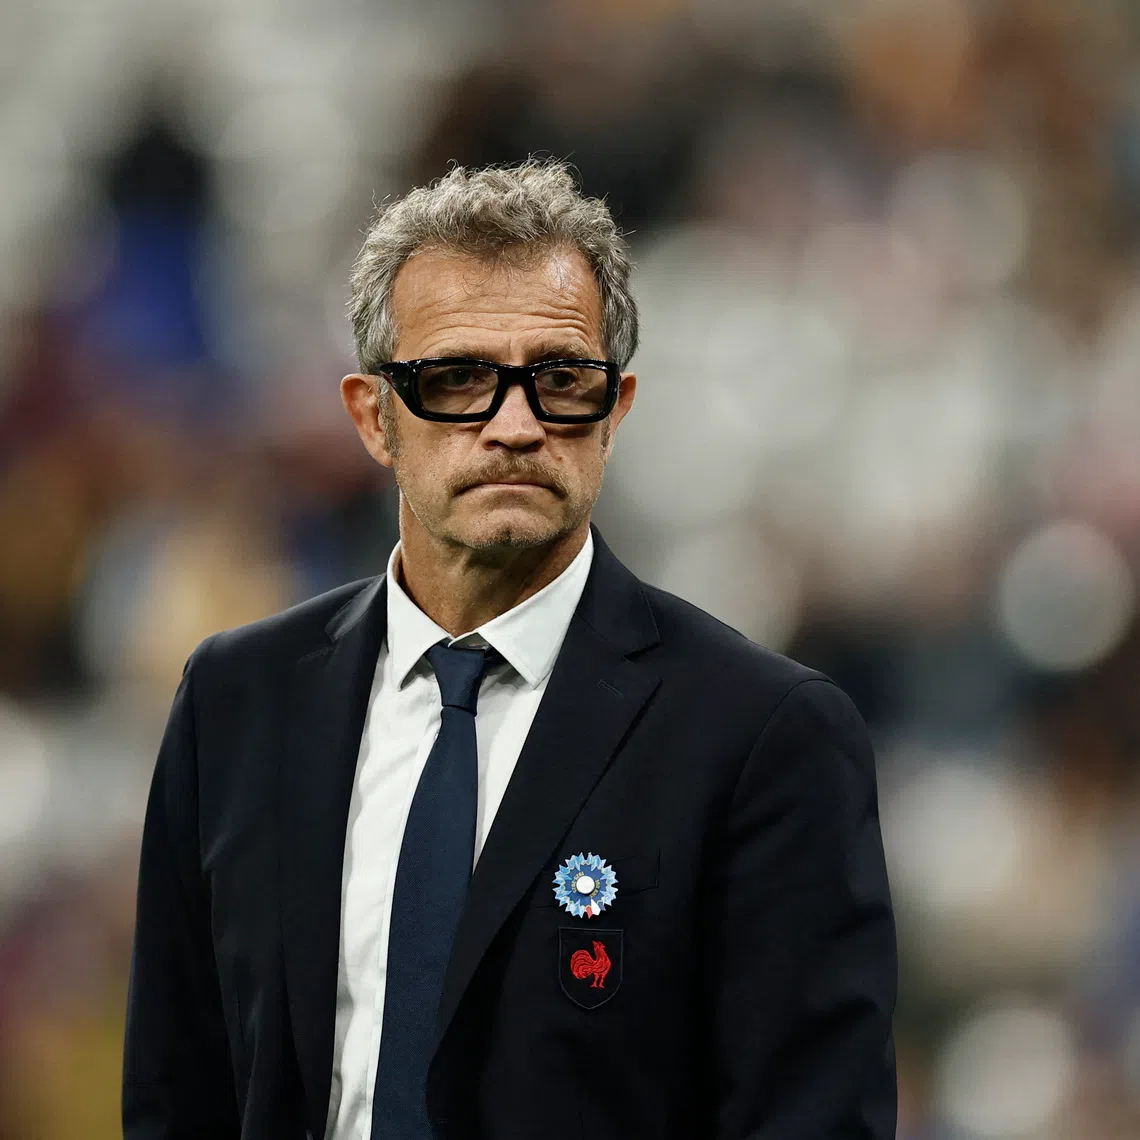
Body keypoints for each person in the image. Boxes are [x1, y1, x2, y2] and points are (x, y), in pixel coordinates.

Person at [123, 159, 897, 1140]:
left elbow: (812, 1120)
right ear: (372, 418)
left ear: (614, 412)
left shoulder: (760, 738)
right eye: (458, 379)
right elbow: (176, 1091)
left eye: (562, 379)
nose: (517, 425)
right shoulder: (237, 701)